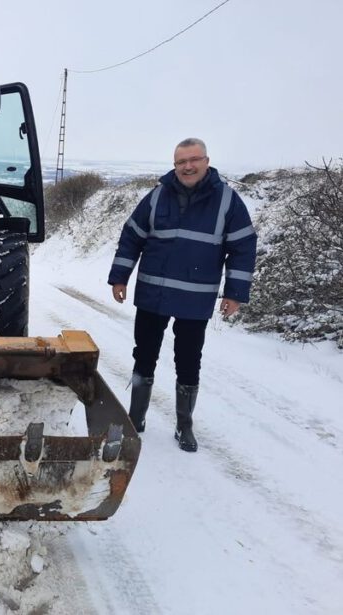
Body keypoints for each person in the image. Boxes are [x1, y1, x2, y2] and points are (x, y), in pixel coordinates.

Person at [108, 138, 257, 452]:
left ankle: (184, 424)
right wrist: (119, 277)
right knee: (144, 355)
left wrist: (235, 293)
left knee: (189, 362)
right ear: (174, 165)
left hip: (195, 300)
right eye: (181, 162)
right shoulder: (157, 196)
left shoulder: (228, 202)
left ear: (206, 161)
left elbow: (242, 248)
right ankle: (137, 416)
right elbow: (131, 237)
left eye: (194, 160)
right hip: (153, 295)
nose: (187, 167)